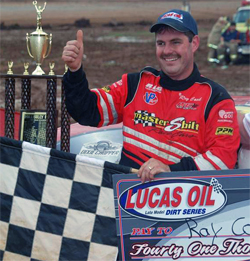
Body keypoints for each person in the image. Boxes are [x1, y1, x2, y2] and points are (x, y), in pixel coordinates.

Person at [62, 9, 240, 183]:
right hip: (126, 198)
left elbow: (223, 159)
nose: (167, 50)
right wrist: (75, 71)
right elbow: (87, 112)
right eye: (161, 43)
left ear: (194, 43)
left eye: (175, 42)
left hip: (184, 201)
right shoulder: (135, 84)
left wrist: (171, 171)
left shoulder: (216, 98)